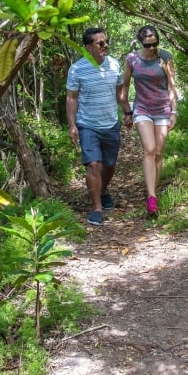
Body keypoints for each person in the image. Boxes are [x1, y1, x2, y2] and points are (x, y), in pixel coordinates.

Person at [66, 27, 126, 226]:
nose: (105, 45)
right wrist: (72, 125)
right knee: (93, 164)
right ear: (88, 47)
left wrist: (128, 112)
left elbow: (119, 94)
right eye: (100, 43)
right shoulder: (77, 69)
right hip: (87, 124)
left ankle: (102, 190)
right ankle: (97, 208)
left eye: (105, 41)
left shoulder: (115, 65)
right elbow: (71, 98)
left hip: (110, 123)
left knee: (109, 165)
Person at [119, 25, 178, 216]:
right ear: (141, 42)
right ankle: (151, 197)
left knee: (159, 153)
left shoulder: (165, 57)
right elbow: (125, 87)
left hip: (163, 109)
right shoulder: (132, 59)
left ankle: (153, 189)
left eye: (155, 44)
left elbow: (171, 86)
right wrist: (127, 112)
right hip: (142, 108)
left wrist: (174, 112)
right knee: (150, 149)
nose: (152, 48)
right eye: (148, 44)